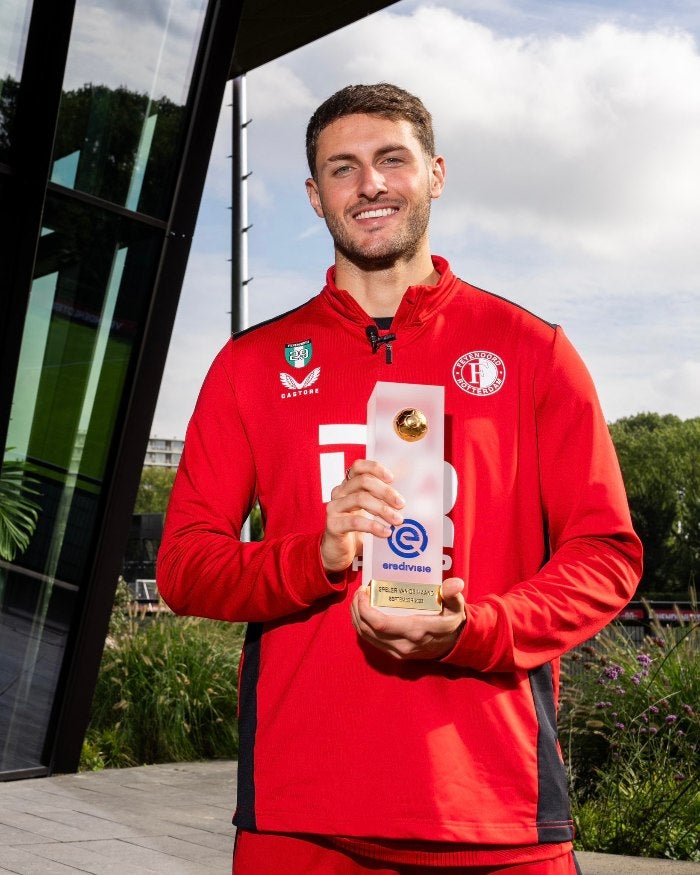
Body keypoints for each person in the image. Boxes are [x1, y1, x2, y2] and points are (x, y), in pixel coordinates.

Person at [156, 83, 642, 874]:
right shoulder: (249, 367)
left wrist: (478, 627)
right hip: (300, 821)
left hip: (493, 817)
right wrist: (311, 555)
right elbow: (183, 565)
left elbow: (607, 555)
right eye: (342, 168)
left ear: (436, 173)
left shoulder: (532, 351)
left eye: (392, 159)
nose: (370, 184)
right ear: (315, 197)